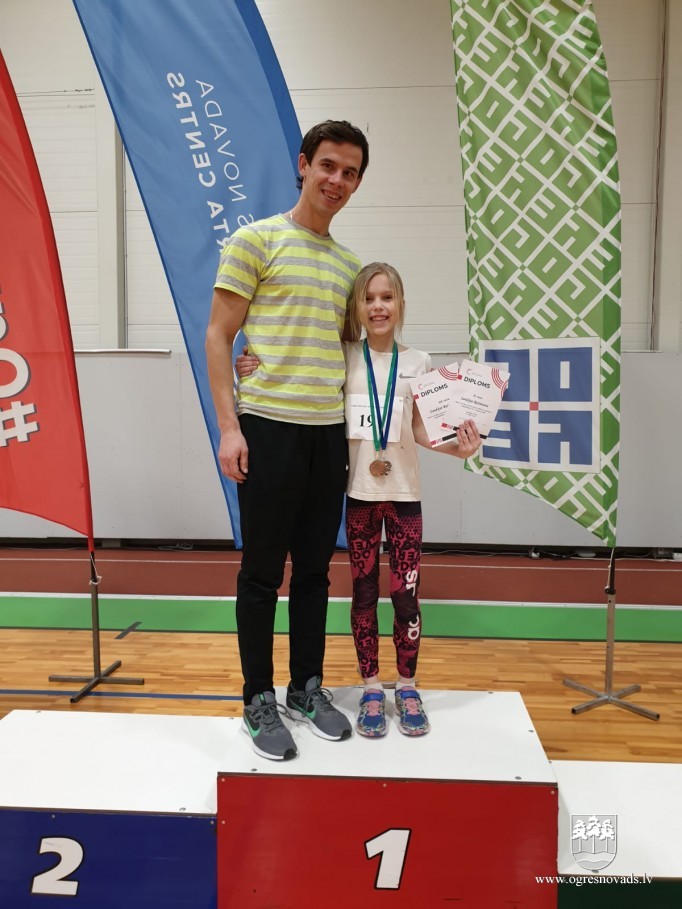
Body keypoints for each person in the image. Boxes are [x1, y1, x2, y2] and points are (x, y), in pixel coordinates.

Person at [238, 262, 482, 739]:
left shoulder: (420, 363)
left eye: (386, 297)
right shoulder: (343, 356)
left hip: (405, 497)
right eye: (368, 299)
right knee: (364, 596)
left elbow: (420, 430)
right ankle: (371, 687)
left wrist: (460, 448)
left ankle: (406, 686)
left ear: (401, 304)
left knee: (406, 596)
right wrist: (249, 363)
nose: (377, 306)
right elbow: (296, 371)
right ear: (356, 308)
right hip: (360, 498)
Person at [205, 120, 369, 761]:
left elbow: (351, 355)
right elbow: (219, 335)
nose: (337, 180)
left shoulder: (350, 267)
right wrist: (229, 427)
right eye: (328, 165)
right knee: (261, 573)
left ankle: (306, 687)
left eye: (350, 172)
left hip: (327, 437)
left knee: (315, 574)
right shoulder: (256, 240)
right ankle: (257, 697)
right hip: (268, 431)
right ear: (303, 165)